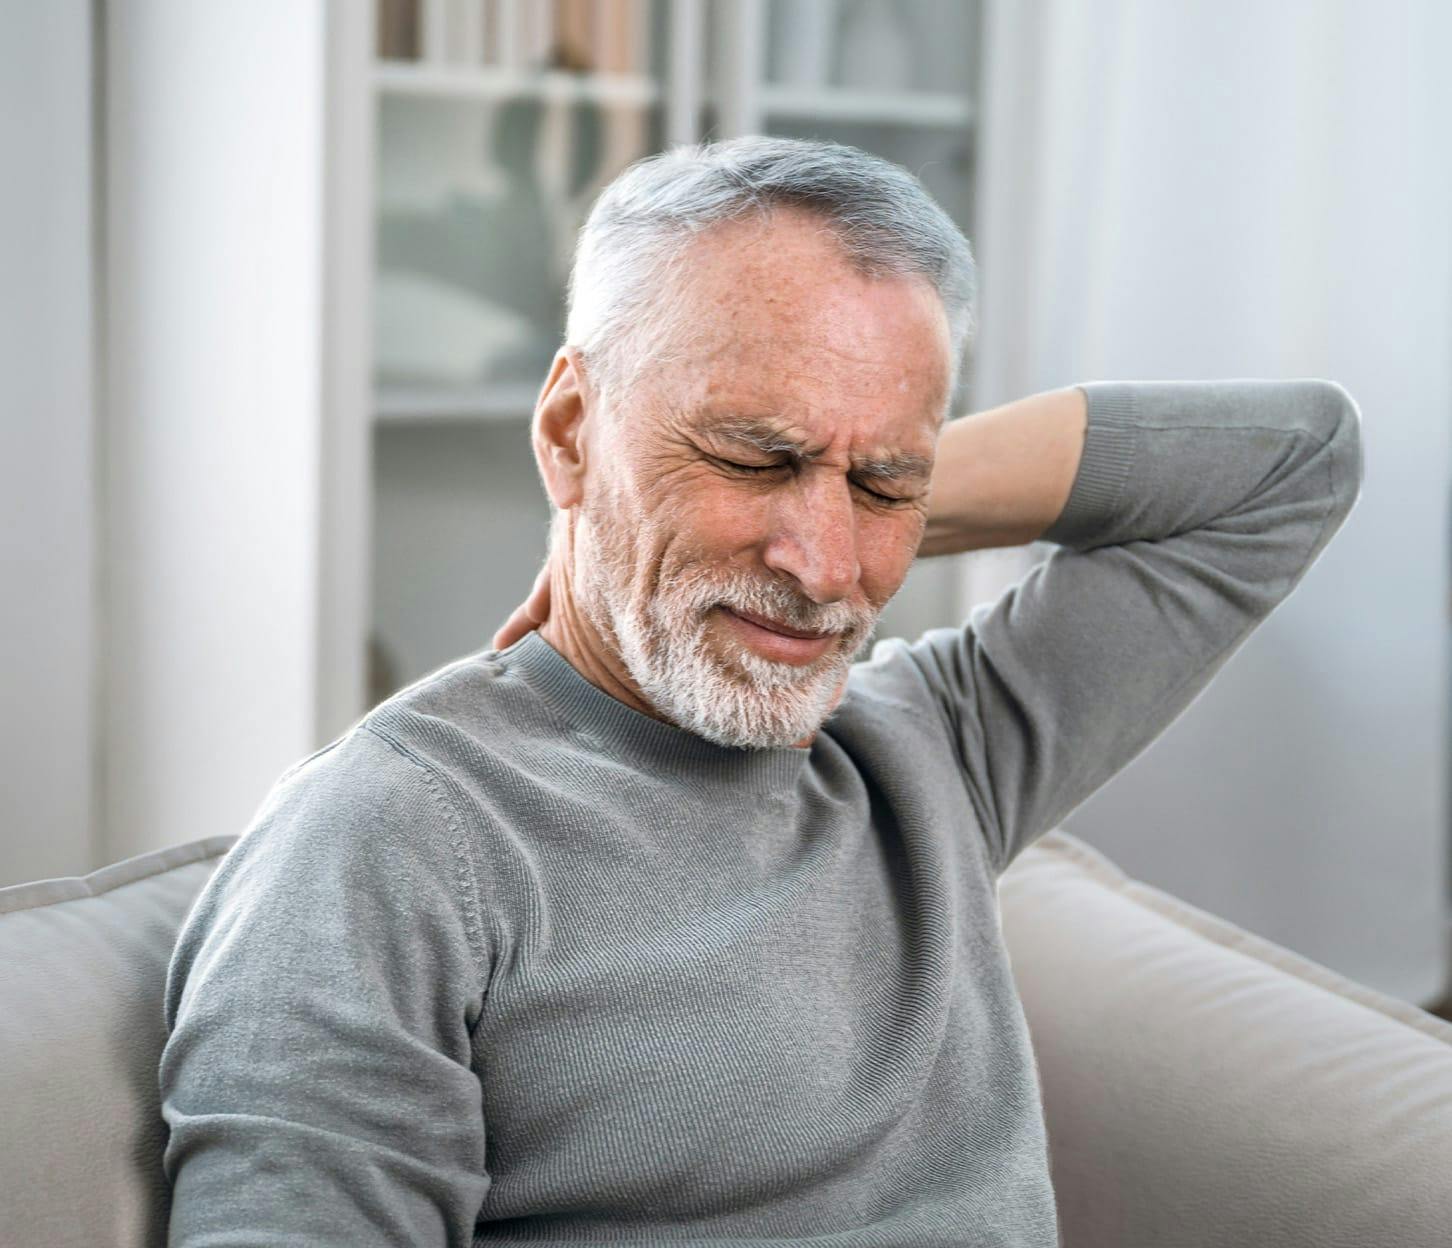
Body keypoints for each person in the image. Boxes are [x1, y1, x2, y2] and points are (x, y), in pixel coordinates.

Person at [159, 137, 1363, 1246]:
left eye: (889, 487)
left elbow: (1296, 464)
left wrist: (838, 495)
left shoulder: (928, 748)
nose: (828, 570)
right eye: (753, 457)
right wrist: (753, 503)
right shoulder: (397, 834)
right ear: (571, 430)